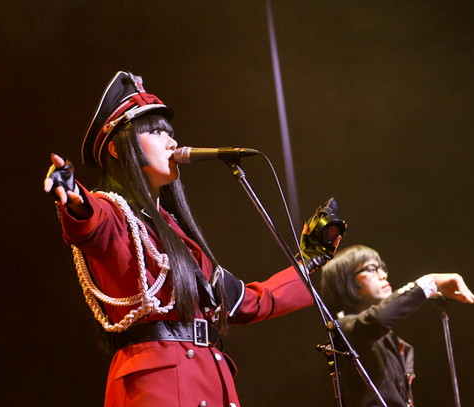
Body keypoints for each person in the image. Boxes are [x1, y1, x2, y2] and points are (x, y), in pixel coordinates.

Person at [44, 71, 334, 407]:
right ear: (116, 148)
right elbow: (91, 221)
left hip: (209, 384)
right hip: (157, 389)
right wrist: (74, 196)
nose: (171, 143)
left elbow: (250, 302)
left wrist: (310, 260)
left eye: (170, 133)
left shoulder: (178, 236)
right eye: (156, 132)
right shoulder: (114, 214)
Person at [320, 244, 474, 407]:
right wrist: (429, 282)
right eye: (371, 269)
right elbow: (377, 320)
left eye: (382, 268)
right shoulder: (343, 328)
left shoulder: (391, 340)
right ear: (345, 281)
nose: (383, 275)